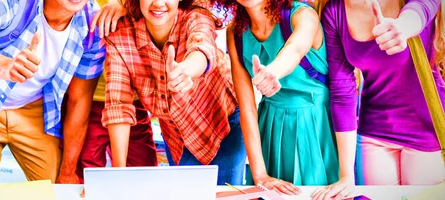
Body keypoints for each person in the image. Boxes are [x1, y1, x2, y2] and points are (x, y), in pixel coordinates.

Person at [0, 0, 105, 183]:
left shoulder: (92, 24)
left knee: (56, 189)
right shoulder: (12, 3)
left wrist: (68, 171)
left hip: (34, 108)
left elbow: (79, 100)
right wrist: (6, 66)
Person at [102, 0, 246, 185]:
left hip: (223, 125)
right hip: (178, 138)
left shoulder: (196, 16)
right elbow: (118, 105)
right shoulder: (120, 35)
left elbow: (203, 49)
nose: (159, 3)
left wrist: (185, 69)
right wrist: (118, 174)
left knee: (228, 194)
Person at [316, 0, 445, 199]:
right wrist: (346, 175)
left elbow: (425, 5)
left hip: (427, 130)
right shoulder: (334, 12)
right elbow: (342, 90)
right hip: (375, 132)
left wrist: (403, 27)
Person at [214, 0, 338, 195]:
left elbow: (295, 49)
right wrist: (260, 175)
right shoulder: (235, 32)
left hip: (317, 127)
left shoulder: (302, 15)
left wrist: (272, 71)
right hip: (270, 127)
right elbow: (246, 108)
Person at [76, 0, 158, 183]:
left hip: (132, 100)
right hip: (88, 99)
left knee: (145, 176)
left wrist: (127, 5)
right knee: (86, 177)